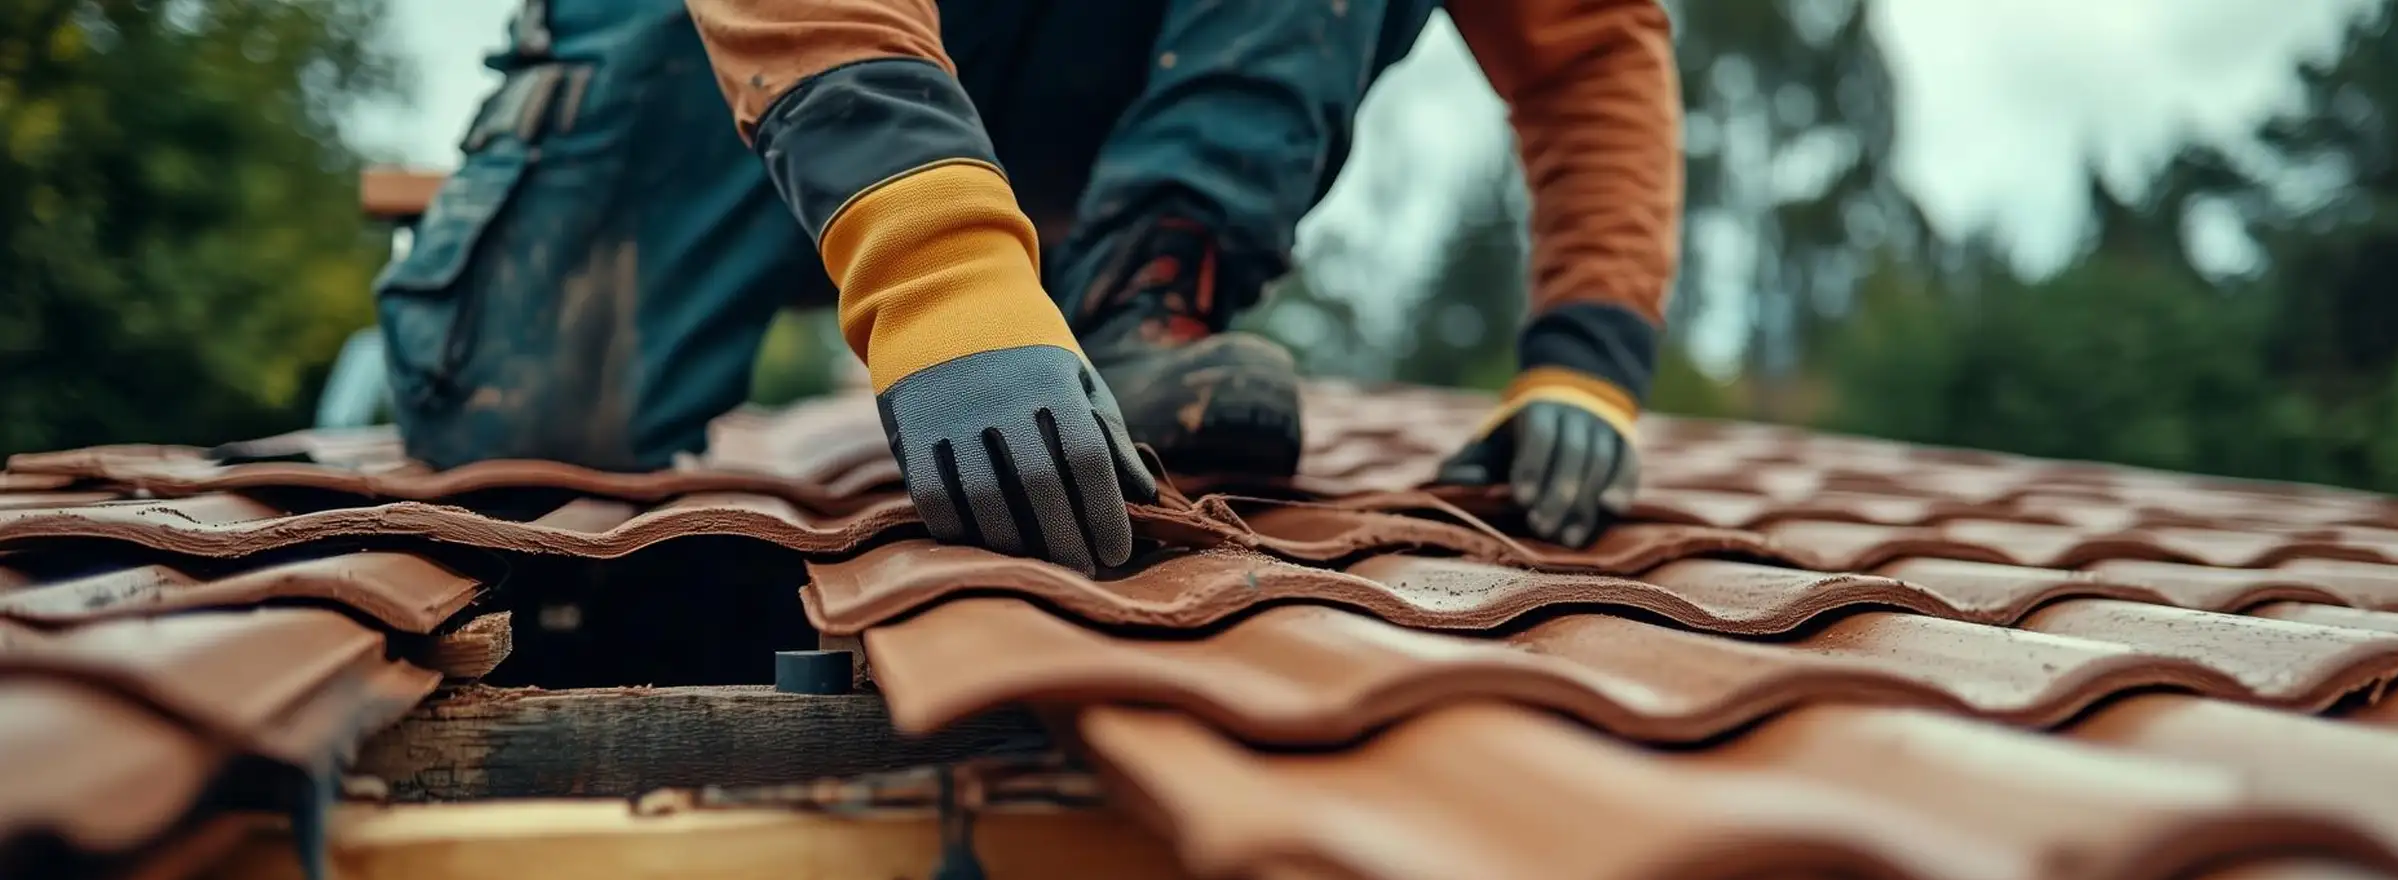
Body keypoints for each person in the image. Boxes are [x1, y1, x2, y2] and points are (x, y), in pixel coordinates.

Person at [379, 0, 1677, 575]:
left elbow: (1590, 46)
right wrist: (938, 273)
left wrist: (1589, 354)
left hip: (1058, 90)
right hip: (720, 46)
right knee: (526, 444)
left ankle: (1143, 299)